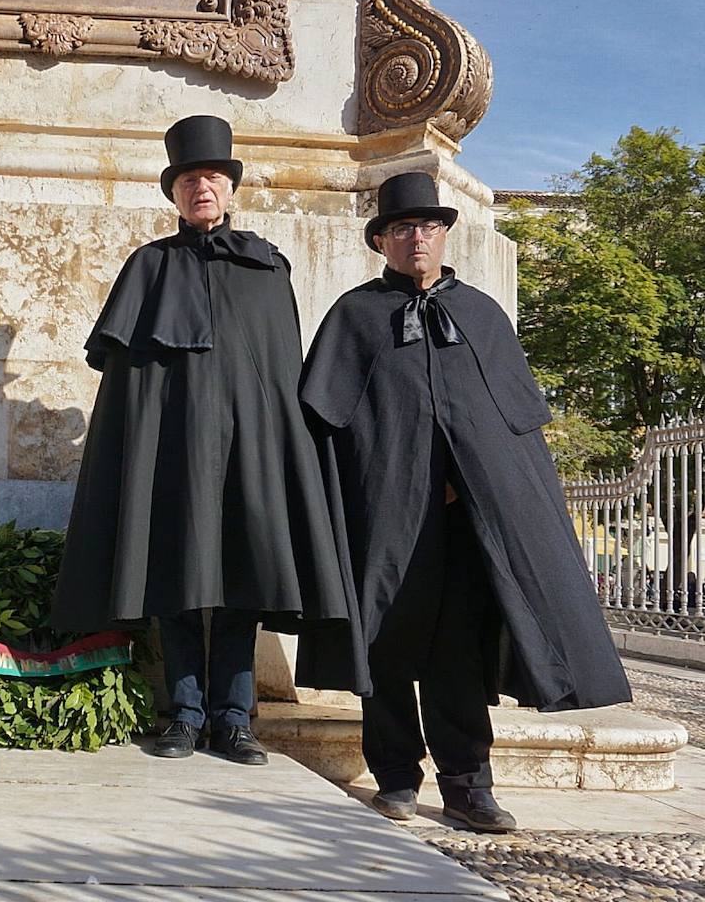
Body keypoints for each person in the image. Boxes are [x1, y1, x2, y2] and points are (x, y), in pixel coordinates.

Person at [297, 171, 632, 832]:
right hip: (380, 521)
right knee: (384, 644)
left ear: (445, 233)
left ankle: (467, 787)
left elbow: (508, 433)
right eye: (400, 228)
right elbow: (326, 428)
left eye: (426, 226)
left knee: (455, 654)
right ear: (382, 241)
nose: (415, 237)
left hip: (457, 527)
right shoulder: (355, 317)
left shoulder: (481, 315)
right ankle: (395, 778)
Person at [50, 115, 358, 765]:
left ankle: (234, 719)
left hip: (248, 455)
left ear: (230, 187)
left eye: (213, 178)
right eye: (190, 180)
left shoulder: (266, 267)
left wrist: (279, 453)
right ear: (175, 193)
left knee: (244, 584)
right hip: (172, 455)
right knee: (177, 583)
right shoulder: (148, 267)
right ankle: (184, 716)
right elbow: (128, 385)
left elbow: (280, 370)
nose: (202, 189)